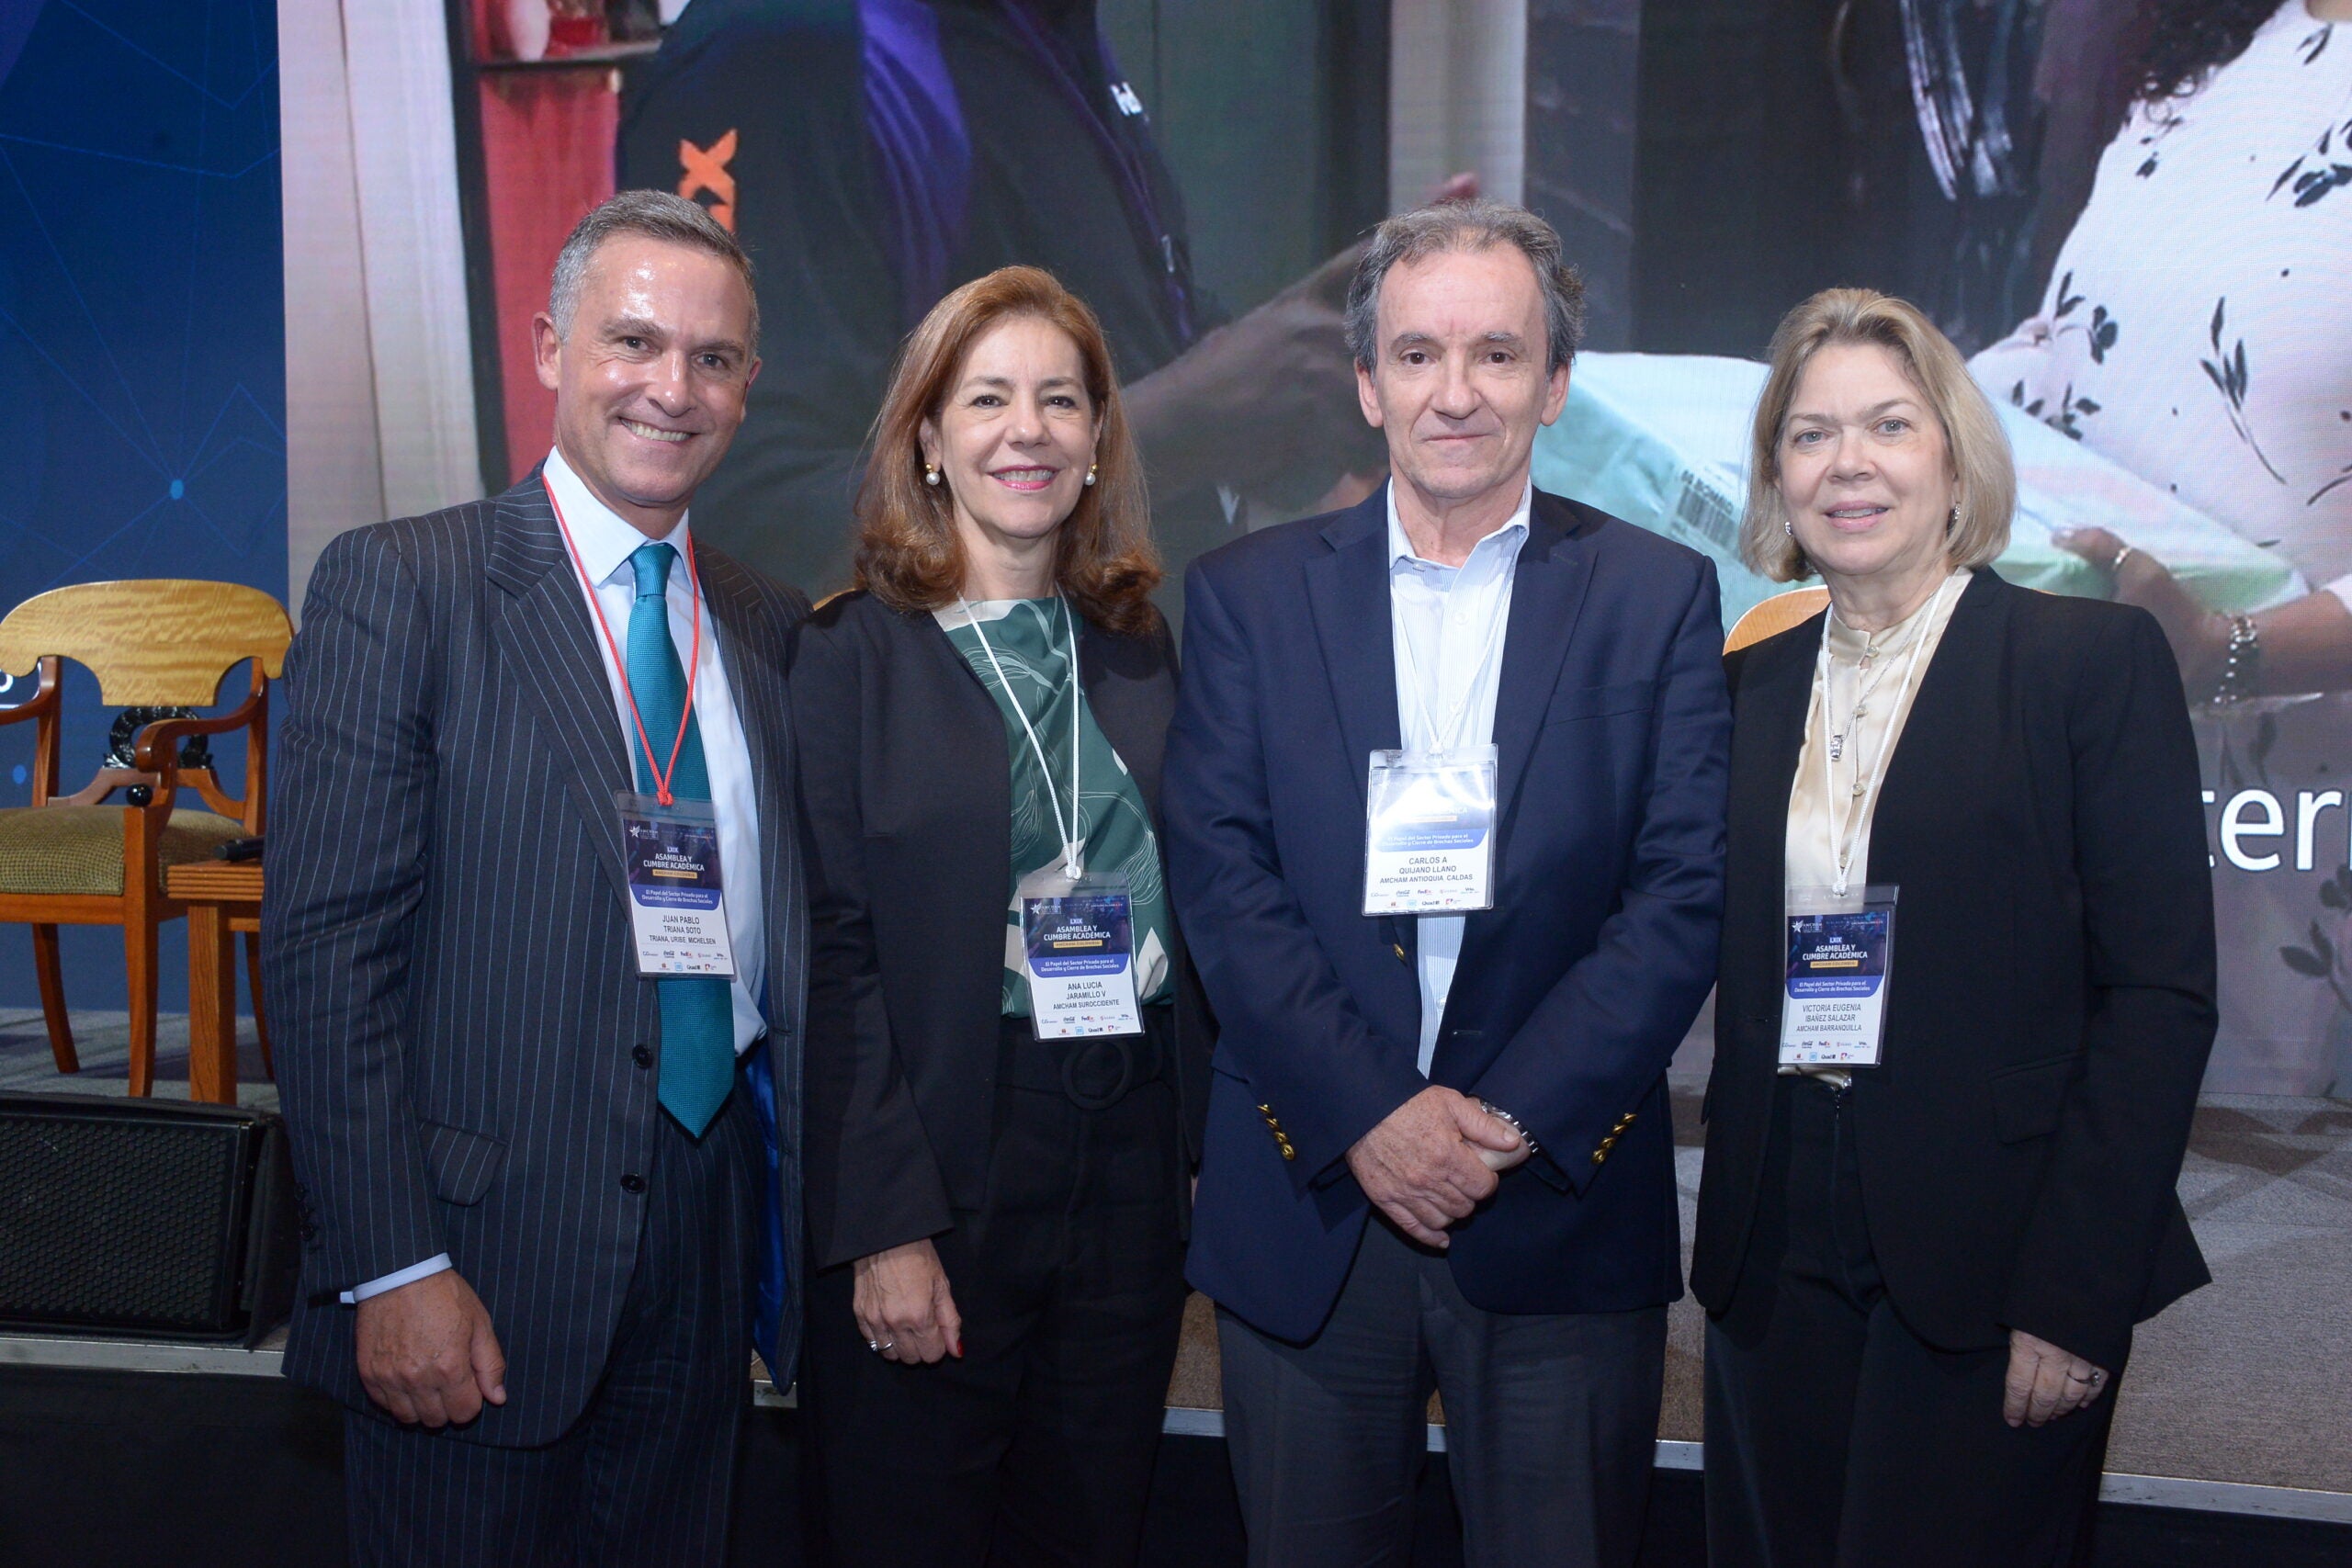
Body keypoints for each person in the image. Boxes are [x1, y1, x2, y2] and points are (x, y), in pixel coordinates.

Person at [1164, 198, 1731, 1568]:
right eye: (1417, 355)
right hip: (1313, 1208)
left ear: (1555, 382)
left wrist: (1498, 1120)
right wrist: (1375, 1111)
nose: (1456, 391)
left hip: (1552, 1204)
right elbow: (1225, 879)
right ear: (1367, 385)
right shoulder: (1245, 593)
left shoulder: (1655, 593)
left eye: (1495, 354)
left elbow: (1680, 892)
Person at [266, 190, 805, 1565]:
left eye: (714, 358)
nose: (671, 388)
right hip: (475, 1250)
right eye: (634, 341)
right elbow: (328, 958)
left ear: (748, 386)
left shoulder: (769, 625)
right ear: (551, 344)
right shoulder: (407, 584)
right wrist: (391, 1263)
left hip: (702, 1233)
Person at [1691, 288, 2218, 1566]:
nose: (1848, 462)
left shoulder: (2085, 663)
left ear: (1954, 455)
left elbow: (2158, 1002)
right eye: (1810, 435)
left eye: (1889, 423)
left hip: (1996, 1244)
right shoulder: (1745, 682)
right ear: (1777, 472)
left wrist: (2075, 1297)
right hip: (1776, 1230)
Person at [790, 265, 1209, 1564]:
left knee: (1090, 1519)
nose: (1027, 430)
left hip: (1129, 1145)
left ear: (1096, 441)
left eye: (1060, 400)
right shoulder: (850, 654)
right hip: (948, 1150)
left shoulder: (1141, 645)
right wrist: (886, 1225)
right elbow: (835, 951)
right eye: (987, 398)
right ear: (927, 436)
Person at [617, 0, 1400, 596]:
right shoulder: (783, 53)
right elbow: (748, 516)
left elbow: (1133, 347)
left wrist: (1293, 381)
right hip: (939, 765)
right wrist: (1181, 427)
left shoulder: (1041, 28)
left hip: (1126, 725)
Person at [1973, 0, 2352, 697]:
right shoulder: (2234, 37)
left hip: (2282, 777)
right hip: (2075, 726)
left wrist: (2224, 649)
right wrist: (1913, 404)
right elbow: (2081, 337)